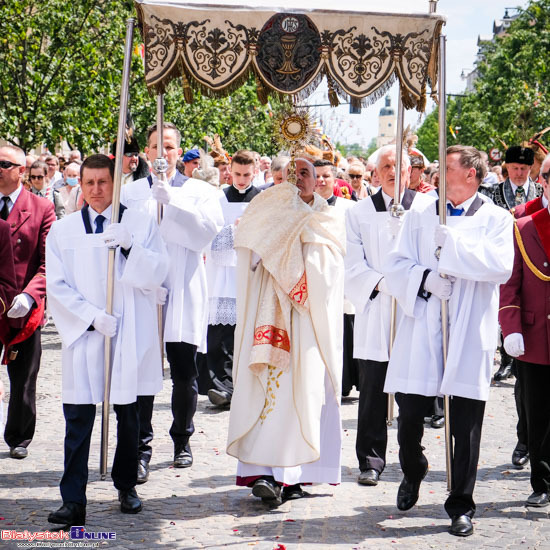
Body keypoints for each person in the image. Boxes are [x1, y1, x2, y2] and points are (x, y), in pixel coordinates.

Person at [383, 145, 514, 537]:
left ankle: (461, 504)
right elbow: (396, 264)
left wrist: (453, 246)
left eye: (448, 169)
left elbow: (500, 267)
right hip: (425, 320)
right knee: (408, 415)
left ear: (471, 175)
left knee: (466, 424)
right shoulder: (422, 212)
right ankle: (413, 467)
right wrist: (425, 278)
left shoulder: (495, 218)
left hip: (469, 326)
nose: (438, 175)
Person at [46, 154, 169, 528]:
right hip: (86, 335)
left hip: (127, 331)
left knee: (127, 412)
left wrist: (131, 246)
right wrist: (90, 317)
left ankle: (126, 485)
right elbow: (57, 285)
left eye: (104, 182)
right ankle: (73, 500)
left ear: (116, 184)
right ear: (79, 187)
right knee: (79, 416)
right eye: (89, 183)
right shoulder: (64, 231)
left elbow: (159, 273)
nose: (97, 190)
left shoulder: (139, 222)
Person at [227, 158, 345, 504]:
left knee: (305, 394)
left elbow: (333, 270)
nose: (298, 179)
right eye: (290, 174)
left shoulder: (327, 218)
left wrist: (301, 264)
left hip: (308, 319)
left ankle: (294, 476)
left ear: (318, 180)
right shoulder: (264, 210)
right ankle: (267, 473)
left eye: (305, 173)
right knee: (270, 392)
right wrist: (268, 244)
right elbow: (247, 256)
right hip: (270, 314)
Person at [121, 123, 223, 481]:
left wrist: (173, 202)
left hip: (183, 284)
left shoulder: (200, 190)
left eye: (168, 146)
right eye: (154, 146)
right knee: (146, 371)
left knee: (184, 370)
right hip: (145, 287)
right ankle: (141, 447)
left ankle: (182, 438)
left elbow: (206, 234)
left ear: (179, 152)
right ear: (146, 153)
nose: (161, 153)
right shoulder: (131, 193)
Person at [345, 145, 434, 487]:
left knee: (411, 394)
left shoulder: (428, 207)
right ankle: (370, 460)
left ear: (412, 171)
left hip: (414, 309)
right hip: (377, 307)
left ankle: (411, 455)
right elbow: (352, 263)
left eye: (400, 165)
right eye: (385, 166)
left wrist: (411, 283)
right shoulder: (359, 213)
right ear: (375, 173)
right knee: (372, 391)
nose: (393, 171)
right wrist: (383, 283)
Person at [0, 145, 56, 459]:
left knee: (23, 377)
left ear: (22, 170)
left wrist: (31, 295)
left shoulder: (41, 208)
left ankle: (19, 436)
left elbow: (48, 263)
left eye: (4, 163)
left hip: (21, 306)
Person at [499, 165, 550, 508]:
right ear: (545, 182)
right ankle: (543, 481)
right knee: (539, 415)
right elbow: (510, 284)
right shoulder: (524, 225)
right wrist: (511, 327)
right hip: (536, 335)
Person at [205, 150, 260, 408]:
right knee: (220, 337)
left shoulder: (261, 199)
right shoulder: (218, 199)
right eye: (237, 174)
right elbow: (210, 233)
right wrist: (234, 229)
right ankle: (221, 387)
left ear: (255, 171)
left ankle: (247, 386)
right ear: (230, 170)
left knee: (247, 334)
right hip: (223, 275)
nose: (240, 179)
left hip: (251, 273)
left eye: (246, 175)